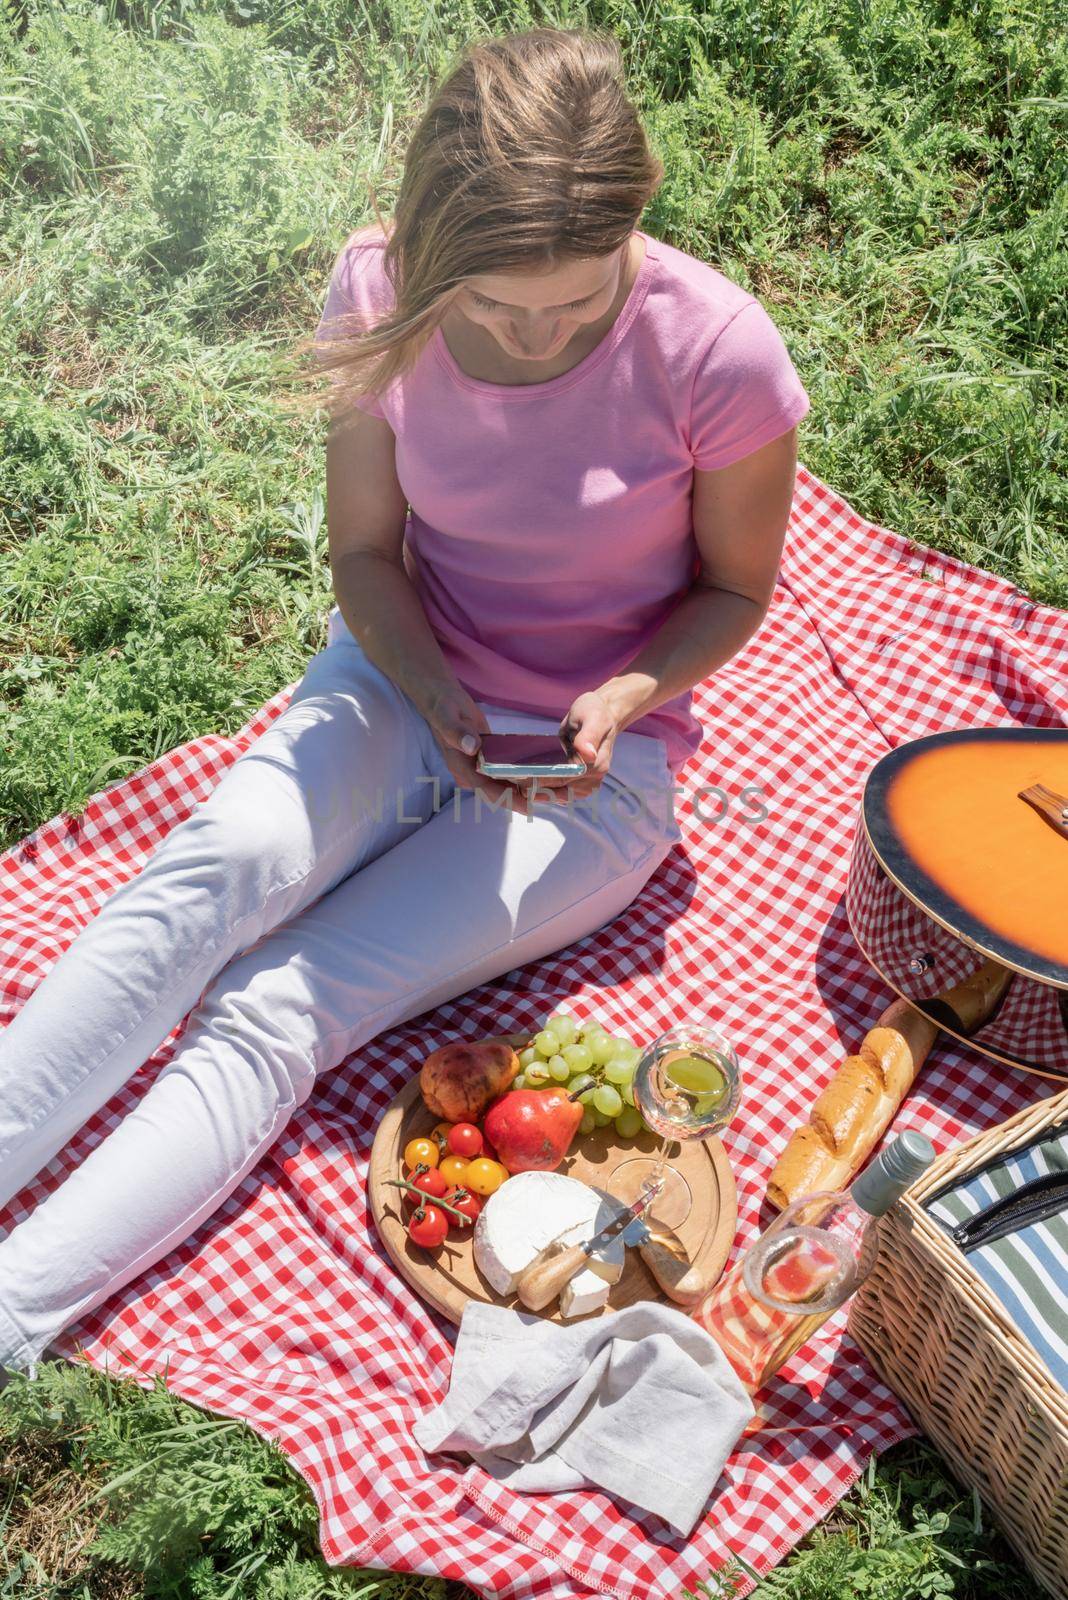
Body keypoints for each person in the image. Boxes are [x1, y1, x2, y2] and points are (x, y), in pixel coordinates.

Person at [0, 25, 809, 1371]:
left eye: (576, 303)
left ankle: (15, 1314)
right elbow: (368, 555)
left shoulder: (720, 354)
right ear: (434, 256)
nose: (536, 335)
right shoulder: (377, 294)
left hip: (598, 771)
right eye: (495, 308)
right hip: (401, 676)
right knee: (217, 868)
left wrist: (619, 693)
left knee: (285, 1003)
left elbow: (736, 592)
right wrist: (432, 691)